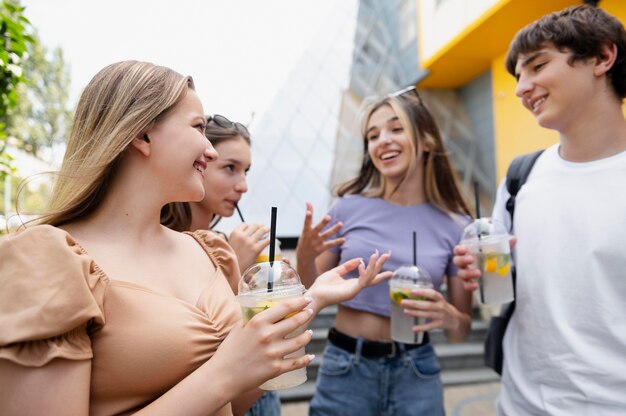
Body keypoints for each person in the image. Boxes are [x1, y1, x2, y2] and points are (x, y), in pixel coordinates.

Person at [0, 60, 392, 415]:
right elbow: (222, 379)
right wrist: (225, 371)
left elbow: (232, 405)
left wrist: (312, 298)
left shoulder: (207, 252)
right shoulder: (48, 262)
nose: (209, 148)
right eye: (198, 127)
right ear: (142, 136)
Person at [453, 5, 626, 415]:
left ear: (602, 58)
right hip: (518, 403)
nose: (520, 87)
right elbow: (503, 284)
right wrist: (479, 268)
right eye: (517, 75)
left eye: (537, 65)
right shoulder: (520, 178)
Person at [304, 87, 474, 415]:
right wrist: (303, 258)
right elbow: (310, 294)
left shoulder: (457, 226)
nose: (383, 140)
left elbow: (460, 334)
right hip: (346, 369)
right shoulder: (346, 209)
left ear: (426, 141)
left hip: (417, 372)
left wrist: (451, 317)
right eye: (373, 135)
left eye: (396, 128)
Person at [161, 114, 344, 415]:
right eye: (230, 168)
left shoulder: (226, 238)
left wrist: (271, 279)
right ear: (200, 162)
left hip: (263, 396)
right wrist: (231, 264)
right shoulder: (166, 245)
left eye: (246, 171)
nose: (243, 186)